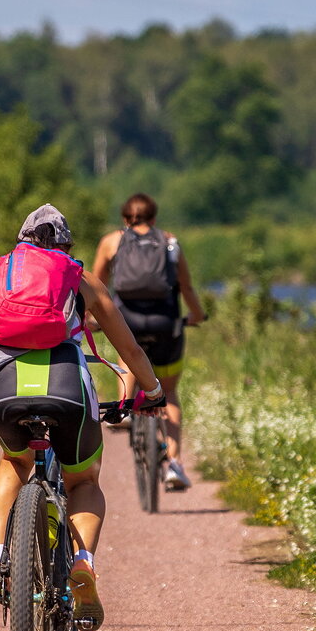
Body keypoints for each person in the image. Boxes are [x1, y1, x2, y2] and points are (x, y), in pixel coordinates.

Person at [0, 204, 164, 630]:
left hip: (4, 388)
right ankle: (82, 563)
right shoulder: (80, 279)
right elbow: (130, 350)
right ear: (65, 246)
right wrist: (152, 393)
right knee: (83, 480)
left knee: (14, 460)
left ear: (21, 242)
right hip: (67, 388)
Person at [91, 193, 206, 490]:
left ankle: (125, 408)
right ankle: (175, 465)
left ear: (125, 219)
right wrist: (196, 314)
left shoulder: (111, 242)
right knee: (168, 392)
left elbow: (94, 286)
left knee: (128, 353)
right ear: (154, 218)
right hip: (166, 323)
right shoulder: (170, 242)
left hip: (127, 318)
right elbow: (186, 286)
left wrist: (93, 319)